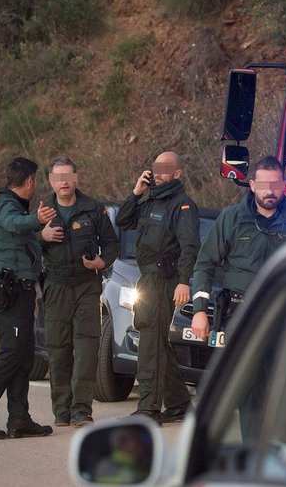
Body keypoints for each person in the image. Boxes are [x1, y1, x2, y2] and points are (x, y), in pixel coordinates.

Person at [0, 157, 56, 440]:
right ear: (28, 181)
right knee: (10, 354)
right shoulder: (6, 205)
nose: (35, 185)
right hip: (11, 289)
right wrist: (36, 220)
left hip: (23, 289)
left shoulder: (16, 206)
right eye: (35, 180)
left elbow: (22, 241)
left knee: (23, 356)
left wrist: (41, 235)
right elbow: (13, 224)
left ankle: (19, 419)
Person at [115, 151, 200, 424]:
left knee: (150, 345)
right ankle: (178, 404)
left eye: (165, 169)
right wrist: (136, 192)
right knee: (156, 344)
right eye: (156, 168)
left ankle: (149, 409)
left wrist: (184, 281)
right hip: (147, 280)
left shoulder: (182, 205)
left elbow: (190, 247)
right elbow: (123, 221)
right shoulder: (149, 199)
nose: (159, 173)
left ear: (177, 174)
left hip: (165, 281)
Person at [190, 156, 286, 340]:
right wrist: (199, 310)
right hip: (239, 315)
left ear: (284, 185)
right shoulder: (232, 218)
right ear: (252, 185)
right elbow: (205, 264)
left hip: (283, 316)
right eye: (263, 185)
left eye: (276, 184)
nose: (269, 191)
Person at [40, 156, 120, 428]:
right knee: (58, 348)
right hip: (56, 286)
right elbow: (25, 245)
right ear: (51, 181)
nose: (63, 181)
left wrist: (102, 262)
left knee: (86, 348)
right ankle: (62, 409)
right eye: (57, 177)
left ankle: (81, 410)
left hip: (87, 286)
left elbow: (111, 244)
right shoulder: (42, 212)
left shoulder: (94, 210)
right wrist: (41, 237)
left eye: (68, 176)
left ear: (76, 179)